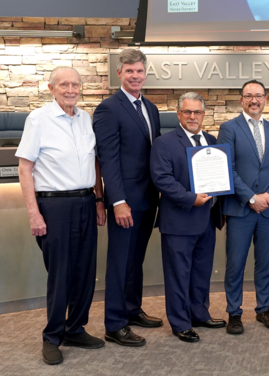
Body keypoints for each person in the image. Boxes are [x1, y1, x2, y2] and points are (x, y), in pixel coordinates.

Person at [16, 66, 106, 365]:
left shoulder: (85, 118)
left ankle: (75, 328)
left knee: (84, 270)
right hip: (54, 206)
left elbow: (94, 162)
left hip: (85, 202)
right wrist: (34, 213)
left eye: (75, 84)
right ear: (51, 88)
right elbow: (25, 168)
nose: (71, 89)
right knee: (61, 273)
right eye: (64, 84)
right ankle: (52, 335)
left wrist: (98, 199)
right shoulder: (38, 119)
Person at [93, 49, 162, 347]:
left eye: (140, 71)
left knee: (136, 260)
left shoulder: (152, 108)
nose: (135, 76)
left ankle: (132, 310)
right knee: (120, 262)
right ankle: (114, 323)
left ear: (145, 73)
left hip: (148, 199)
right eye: (129, 71)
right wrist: (117, 201)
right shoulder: (108, 109)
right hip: (125, 202)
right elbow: (107, 159)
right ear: (119, 73)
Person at [150, 92, 226, 343]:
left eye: (197, 112)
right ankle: (180, 322)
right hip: (179, 220)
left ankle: (199, 313)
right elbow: (162, 179)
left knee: (201, 272)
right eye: (187, 112)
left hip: (207, 220)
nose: (193, 117)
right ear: (179, 114)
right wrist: (189, 198)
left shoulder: (212, 140)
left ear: (204, 115)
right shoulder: (164, 143)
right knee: (178, 275)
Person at [217, 79, 269, 335]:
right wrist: (251, 198)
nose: (254, 100)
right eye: (249, 96)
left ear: (266, 99)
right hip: (240, 209)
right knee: (235, 263)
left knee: (265, 262)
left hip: (267, 210)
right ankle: (234, 313)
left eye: (258, 95)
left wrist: (268, 196)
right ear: (242, 100)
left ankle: (263, 309)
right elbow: (228, 168)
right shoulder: (228, 128)